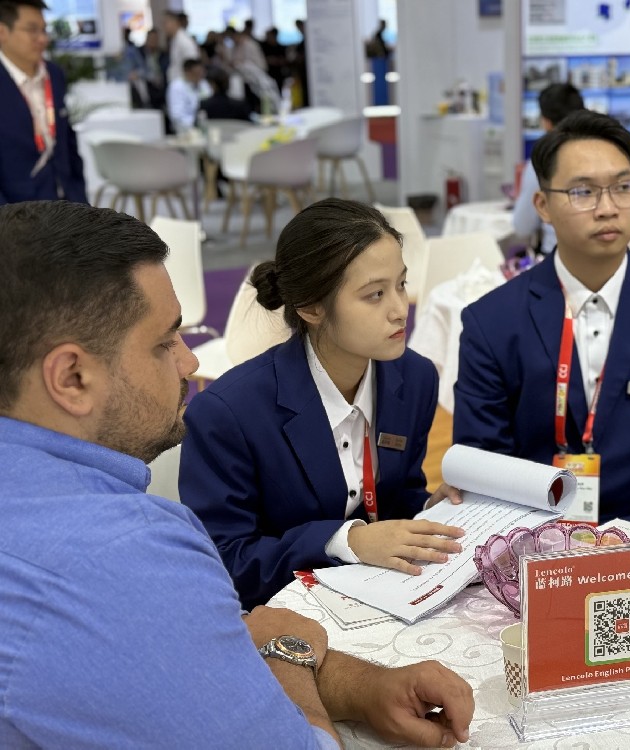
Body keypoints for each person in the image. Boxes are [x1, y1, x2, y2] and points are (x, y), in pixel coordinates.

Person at [0, 200, 474, 749]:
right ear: (71, 377)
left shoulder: (411, 378)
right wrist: (290, 648)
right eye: (164, 341)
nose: (190, 363)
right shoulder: (133, 550)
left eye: (402, 286)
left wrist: (363, 684)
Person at [453, 110, 630, 535]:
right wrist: (529, 550)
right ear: (543, 206)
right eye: (583, 191)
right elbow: (483, 463)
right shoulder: (492, 321)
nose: (607, 209)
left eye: (623, 187)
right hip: (531, 538)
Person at [180, 198, 465, 609]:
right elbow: (227, 563)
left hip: (385, 600)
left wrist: (426, 510)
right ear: (312, 308)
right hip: (284, 614)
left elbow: (397, 494)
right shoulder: (228, 414)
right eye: (375, 295)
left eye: (401, 285)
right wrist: (345, 540)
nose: (400, 310)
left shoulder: (414, 378)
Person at [0, 0, 86, 205]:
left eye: (44, 30)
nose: (43, 39)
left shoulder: (54, 75)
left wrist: (80, 198)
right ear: (2, 32)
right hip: (15, 211)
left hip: (65, 205)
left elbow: (67, 141)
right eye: (32, 30)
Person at [512, 82, 585, 256]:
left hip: (558, 258)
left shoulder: (541, 162)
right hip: (607, 259)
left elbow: (522, 226)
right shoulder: (605, 154)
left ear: (546, 122)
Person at [165, 57, 204, 133]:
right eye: (197, 73)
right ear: (187, 72)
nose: (200, 76)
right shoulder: (176, 86)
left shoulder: (203, 84)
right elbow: (176, 115)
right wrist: (195, 123)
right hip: (184, 129)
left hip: (203, 124)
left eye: (201, 73)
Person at [163, 10, 198, 83]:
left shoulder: (184, 40)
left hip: (185, 83)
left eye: (166, 23)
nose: (164, 27)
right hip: (177, 82)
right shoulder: (174, 40)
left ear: (175, 22)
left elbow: (192, 64)